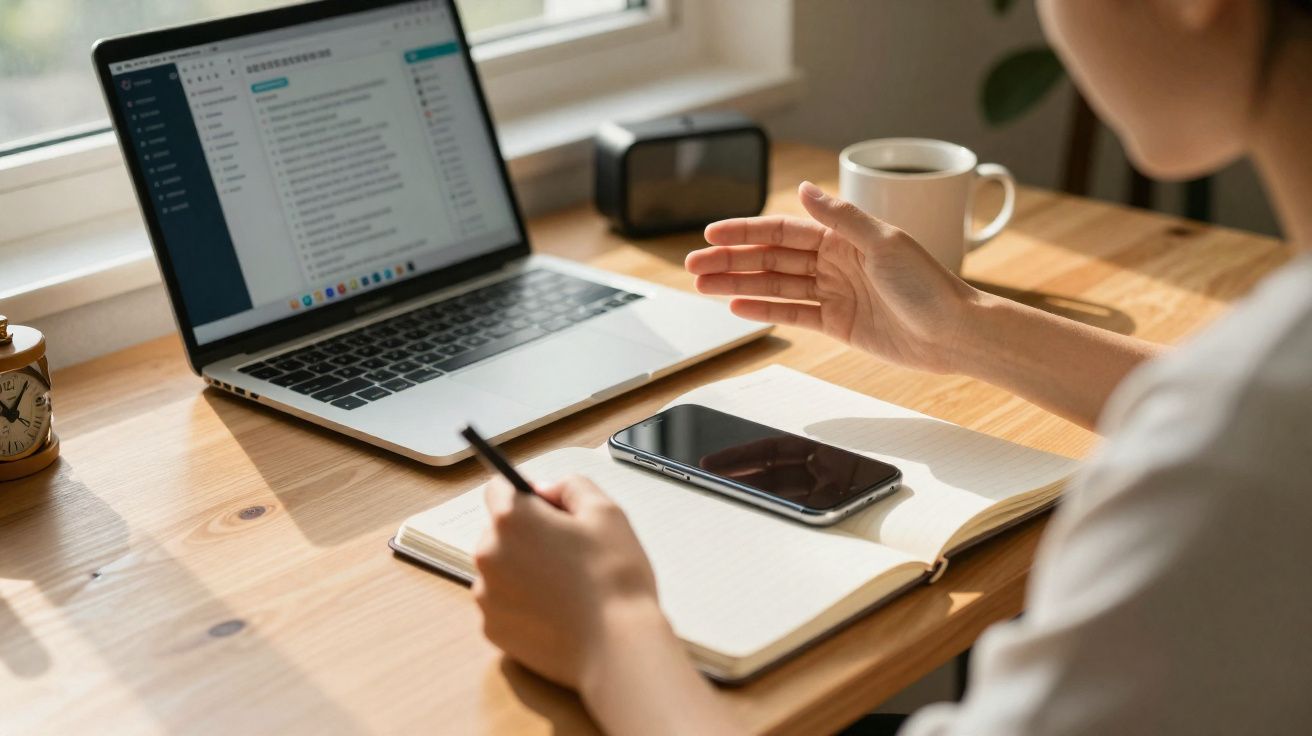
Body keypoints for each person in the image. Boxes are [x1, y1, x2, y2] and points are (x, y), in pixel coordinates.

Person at [470, 0, 1312, 732]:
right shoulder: (1261, 398)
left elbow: (1244, 427)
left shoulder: (1233, 465)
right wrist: (963, 329)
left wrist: (611, 631)